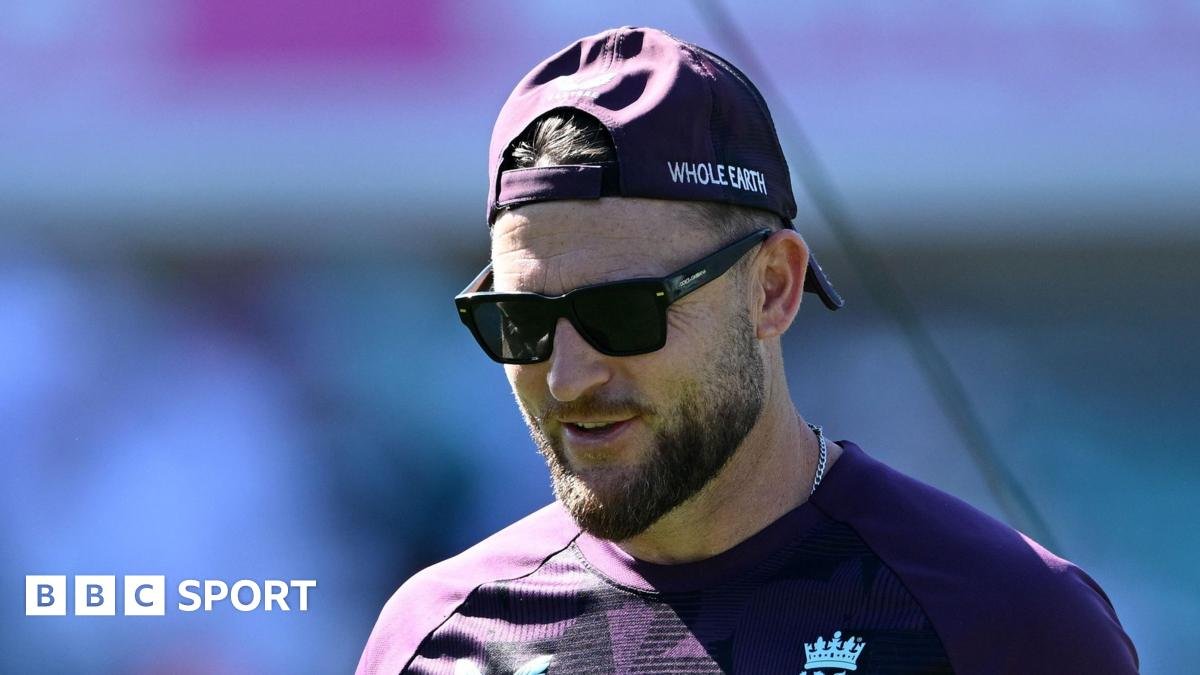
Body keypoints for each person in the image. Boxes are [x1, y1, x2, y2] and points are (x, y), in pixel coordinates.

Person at [358, 26, 1138, 674]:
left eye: (621, 312)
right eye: (519, 320)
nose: (567, 377)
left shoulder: (1006, 622)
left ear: (772, 289)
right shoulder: (438, 639)